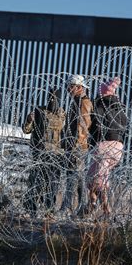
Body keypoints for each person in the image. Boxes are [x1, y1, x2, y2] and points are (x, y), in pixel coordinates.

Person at [87, 77, 127, 216]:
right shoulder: (120, 107)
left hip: (103, 146)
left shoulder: (100, 106)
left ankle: (103, 208)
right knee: (102, 177)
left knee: (94, 178)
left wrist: (90, 140)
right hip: (118, 148)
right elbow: (125, 128)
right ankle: (93, 205)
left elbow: (94, 125)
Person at [22, 88, 66, 214]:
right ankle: (31, 208)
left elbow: (67, 134)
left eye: (55, 99)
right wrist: (29, 120)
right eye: (50, 99)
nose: (52, 101)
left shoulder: (63, 115)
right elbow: (26, 130)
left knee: (52, 183)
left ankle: (49, 209)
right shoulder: (39, 111)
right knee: (36, 181)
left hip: (56, 155)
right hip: (40, 153)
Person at [60, 74, 93, 215]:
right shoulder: (77, 101)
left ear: (79, 87)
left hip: (77, 146)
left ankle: (66, 206)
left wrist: (75, 143)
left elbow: (84, 124)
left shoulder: (83, 102)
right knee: (78, 177)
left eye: (71, 86)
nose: (68, 89)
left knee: (72, 176)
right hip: (73, 144)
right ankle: (82, 207)